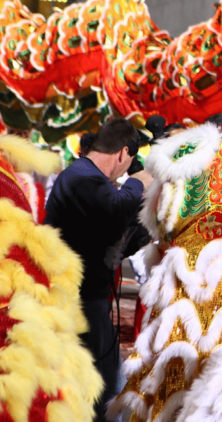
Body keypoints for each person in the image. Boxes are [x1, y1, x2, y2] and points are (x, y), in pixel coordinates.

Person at [44, 118, 154, 421]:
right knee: (98, 398)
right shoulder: (82, 177)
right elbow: (115, 213)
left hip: (89, 301)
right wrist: (138, 181)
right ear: (123, 153)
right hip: (76, 303)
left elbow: (110, 237)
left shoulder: (86, 178)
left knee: (110, 391)